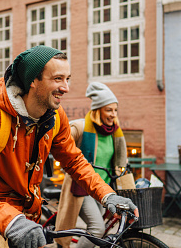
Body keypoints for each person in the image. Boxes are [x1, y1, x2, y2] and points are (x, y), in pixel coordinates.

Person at [0, 46, 138, 248]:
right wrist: (11, 221)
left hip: (27, 220)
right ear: (33, 81)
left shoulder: (55, 116)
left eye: (67, 79)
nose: (65, 87)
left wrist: (108, 195)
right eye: (57, 79)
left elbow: (74, 160)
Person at [55, 82, 128, 248]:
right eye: (109, 110)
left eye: (115, 110)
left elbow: (119, 160)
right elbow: (60, 141)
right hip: (81, 187)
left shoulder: (115, 133)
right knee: (97, 229)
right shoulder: (81, 127)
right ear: (98, 110)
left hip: (102, 188)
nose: (113, 114)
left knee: (96, 229)